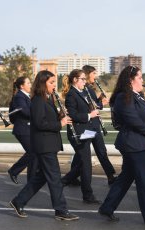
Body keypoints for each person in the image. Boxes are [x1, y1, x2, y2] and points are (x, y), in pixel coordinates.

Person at [99, 66, 145, 226]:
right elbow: (131, 119)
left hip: (137, 143)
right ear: (131, 80)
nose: (143, 80)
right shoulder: (124, 97)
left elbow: (140, 115)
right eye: (140, 77)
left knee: (126, 178)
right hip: (134, 144)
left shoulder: (136, 96)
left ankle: (107, 207)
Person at [9, 70, 79, 221]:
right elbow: (40, 123)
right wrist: (60, 123)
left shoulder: (47, 98)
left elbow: (47, 118)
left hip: (48, 143)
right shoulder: (38, 100)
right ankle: (61, 210)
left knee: (41, 177)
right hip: (44, 144)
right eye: (51, 82)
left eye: (55, 82)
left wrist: (60, 115)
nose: (54, 85)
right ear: (42, 83)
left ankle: (18, 201)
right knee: (54, 178)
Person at [61, 65, 117, 187]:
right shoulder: (77, 92)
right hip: (87, 127)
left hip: (92, 126)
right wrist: (95, 109)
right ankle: (69, 180)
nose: (94, 77)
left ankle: (110, 176)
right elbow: (85, 111)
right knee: (85, 158)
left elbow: (93, 106)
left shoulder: (87, 90)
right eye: (93, 74)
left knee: (94, 153)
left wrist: (100, 103)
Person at [61, 69, 101, 204]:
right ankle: (87, 195)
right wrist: (90, 115)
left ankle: (63, 181)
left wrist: (96, 108)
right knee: (86, 163)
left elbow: (90, 107)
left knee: (82, 163)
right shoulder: (71, 95)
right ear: (75, 80)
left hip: (87, 130)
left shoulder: (84, 92)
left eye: (85, 79)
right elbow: (73, 115)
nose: (85, 81)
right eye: (82, 79)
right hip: (78, 133)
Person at [7, 76, 34, 184]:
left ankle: (32, 180)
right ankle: (14, 170)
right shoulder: (19, 97)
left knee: (34, 154)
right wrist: (39, 114)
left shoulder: (26, 96)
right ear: (22, 86)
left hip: (28, 129)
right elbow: (25, 112)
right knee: (33, 152)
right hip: (23, 130)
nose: (30, 85)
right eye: (28, 83)